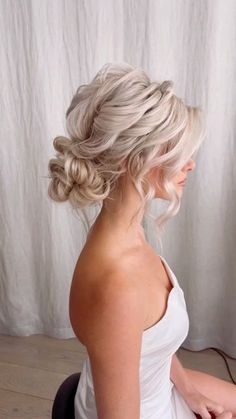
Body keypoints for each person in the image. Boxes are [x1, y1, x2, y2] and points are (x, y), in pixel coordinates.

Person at [47, 63, 236, 419]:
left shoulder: (125, 230)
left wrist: (190, 391)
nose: (191, 164)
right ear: (133, 161)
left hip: (161, 387)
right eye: (178, 152)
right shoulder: (118, 286)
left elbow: (150, 344)